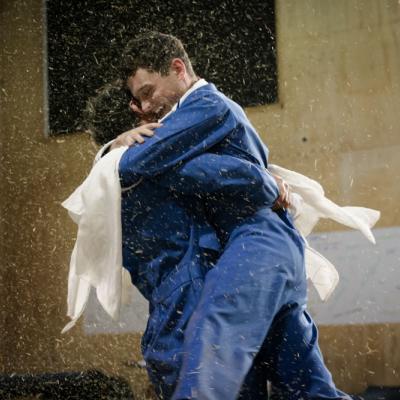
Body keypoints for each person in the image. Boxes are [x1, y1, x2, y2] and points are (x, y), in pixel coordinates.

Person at [102, 31, 355, 399]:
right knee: (309, 388)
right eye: (140, 100)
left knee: (215, 332)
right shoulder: (202, 116)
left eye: (148, 92)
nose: (149, 106)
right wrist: (115, 145)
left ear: (178, 69)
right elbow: (193, 169)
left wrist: (121, 149)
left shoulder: (205, 105)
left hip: (258, 242)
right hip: (268, 250)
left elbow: (140, 165)